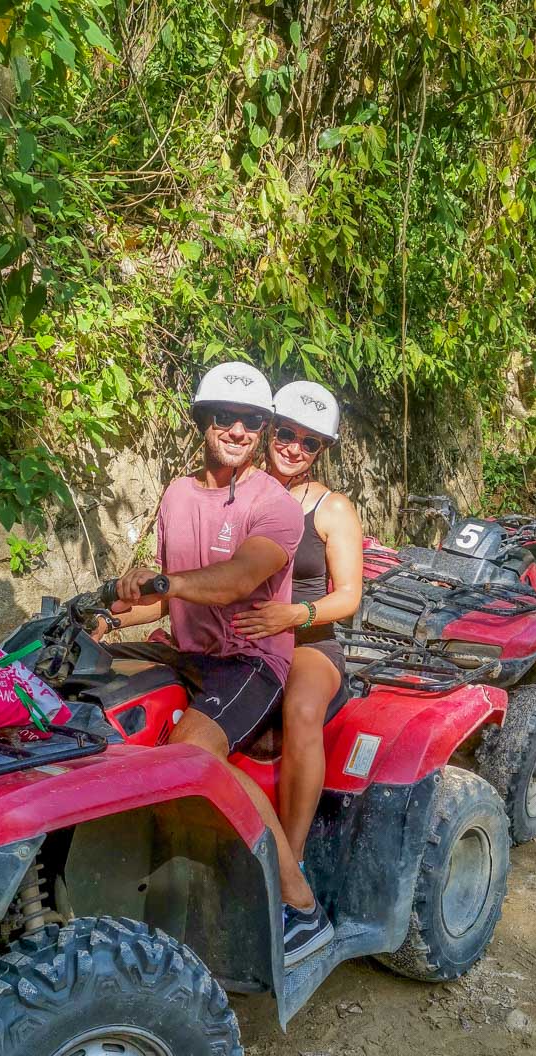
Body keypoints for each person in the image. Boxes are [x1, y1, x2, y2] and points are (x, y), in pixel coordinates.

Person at [109, 362, 335, 967]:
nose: (238, 430)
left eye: (252, 422)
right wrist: (107, 617)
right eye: (226, 418)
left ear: (262, 430)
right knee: (86, 699)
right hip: (187, 654)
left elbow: (238, 580)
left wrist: (167, 583)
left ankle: (299, 905)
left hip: (249, 662)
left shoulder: (277, 506)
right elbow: (161, 596)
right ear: (203, 421)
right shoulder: (177, 495)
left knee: (190, 754)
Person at [232, 381, 364, 867]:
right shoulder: (240, 493)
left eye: (309, 442)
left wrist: (296, 615)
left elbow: (348, 595)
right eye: (286, 433)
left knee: (302, 709)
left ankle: (293, 857)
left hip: (309, 638)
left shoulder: (332, 508)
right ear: (269, 432)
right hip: (246, 632)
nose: (293, 448)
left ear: (321, 450)